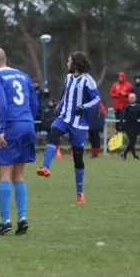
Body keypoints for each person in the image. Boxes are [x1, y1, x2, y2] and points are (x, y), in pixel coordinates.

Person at [36, 51, 101, 204]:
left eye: (69, 60)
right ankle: (45, 167)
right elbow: (66, 95)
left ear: (76, 63)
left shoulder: (87, 80)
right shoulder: (68, 77)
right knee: (53, 133)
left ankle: (80, 193)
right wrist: (59, 106)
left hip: (79, 123)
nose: (67, 63)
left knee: (78, 158)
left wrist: (84, 107)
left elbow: (97, 99)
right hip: (65, 117)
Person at [0, 48, 38, 235]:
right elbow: (35, 104)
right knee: (19, 175)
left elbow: (1, 103)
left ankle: (5, 220)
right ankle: (22, 217)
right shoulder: (23, 76)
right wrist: (28, 120)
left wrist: (1, 130)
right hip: (28, 125)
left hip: (11, 126)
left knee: (5, 174)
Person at [120, 93, 140, 160]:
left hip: (135, 126)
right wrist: (121, 125)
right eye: (130, 98)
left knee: (133, 141)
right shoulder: (126, 106)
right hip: (128, 126)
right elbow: (122, 116)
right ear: (128, 99)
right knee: (132, 139)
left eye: (133, 98)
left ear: (135, 98)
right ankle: (135, 156)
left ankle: (124, 154)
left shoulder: (138, 106)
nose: (131, 99)